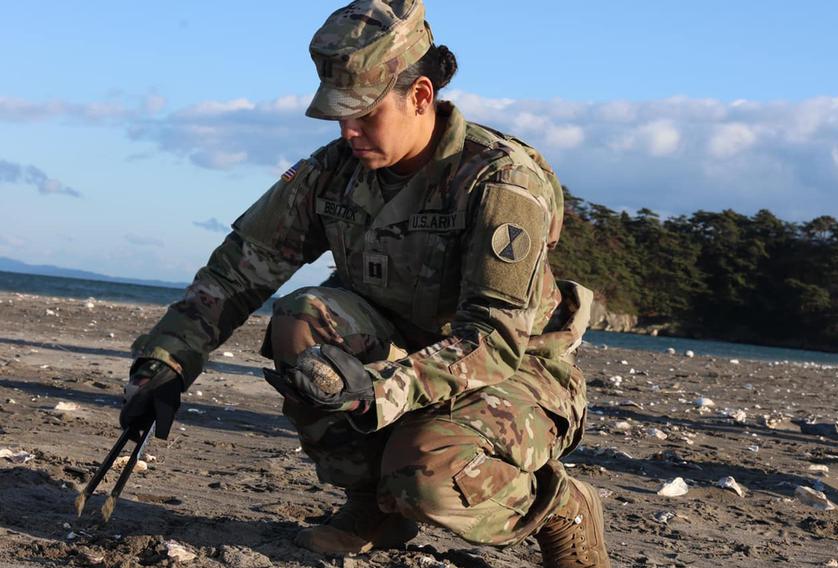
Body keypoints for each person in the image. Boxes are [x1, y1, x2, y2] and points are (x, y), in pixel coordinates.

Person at [118, 1, 609, 566]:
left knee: (425, 473)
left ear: (420, 96)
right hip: (395, 360)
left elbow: (494, 339)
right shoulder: (333, 171)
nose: (348, 131)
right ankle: (374, 505)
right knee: (301, 317)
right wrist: (165, 364)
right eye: (338, 116)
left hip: (512, 376)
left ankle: (562, 507)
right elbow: (239, 269)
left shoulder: (499, 181)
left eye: (364, 114)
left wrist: (380, 390)